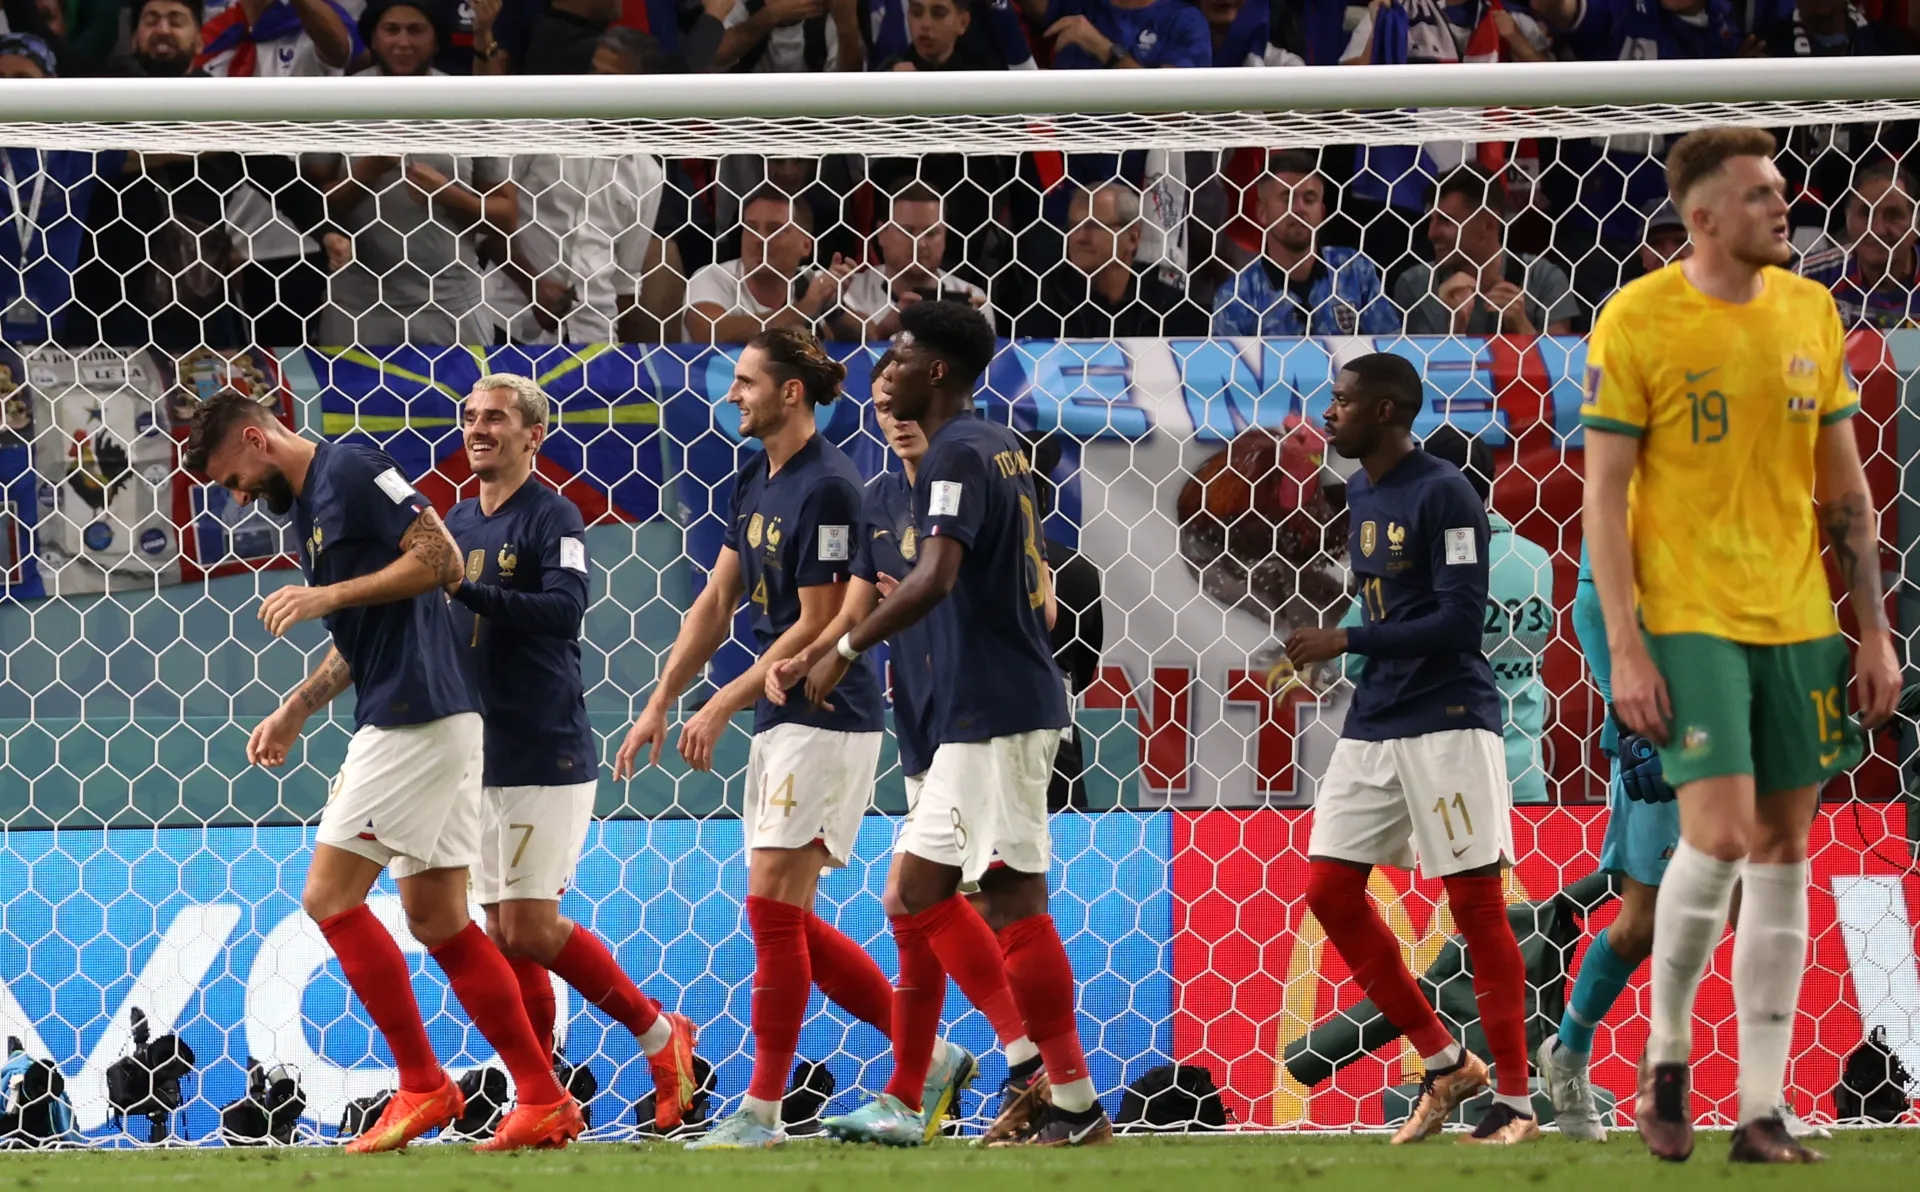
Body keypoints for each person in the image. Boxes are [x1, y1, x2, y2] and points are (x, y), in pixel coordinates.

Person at [1580, 126, 1899, 1163]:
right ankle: (1664, 1056)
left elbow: (1845, 489)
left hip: (1800, 619)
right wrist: (1627, 648)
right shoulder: (1638, 319)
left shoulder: (1813, 309)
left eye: (1783, 190)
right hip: (1690, 615)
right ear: (1703, 215)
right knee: (1714, 839)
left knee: (1784, 850)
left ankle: (1761, 1109)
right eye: (1760, 194)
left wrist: (1873, 630)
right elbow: (1606, 497)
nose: (1783, 206)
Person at [181, 391, 584, 1153]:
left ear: (256, 439)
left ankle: (425, 1085)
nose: (235, 497)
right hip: (425, 716)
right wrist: (299, 704)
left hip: (416, 717)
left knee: (330, 898)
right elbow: (367, 627)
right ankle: (541, 1097)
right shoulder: (309, 508)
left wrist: (327, 593)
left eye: (232, 478)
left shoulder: (352, 465)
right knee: (438, 920)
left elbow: (440, 558)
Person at [797, 301, 1109, 1148]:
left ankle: (1068, 1100)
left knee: (1010, 901)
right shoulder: (989, 447)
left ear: (936, 371)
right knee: (918, 892)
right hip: (970, 713)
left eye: (897, 354)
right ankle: (1033, 1076)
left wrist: (845, 647)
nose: (883, 368)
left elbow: (933, 576)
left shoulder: (959, 453)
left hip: (995, 709)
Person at [611, 328, 897, 1150]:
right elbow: (715, 600)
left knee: (771, 914)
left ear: (791, 394)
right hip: (783, 711)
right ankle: (928, 1050)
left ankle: (761, 1114)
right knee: (787, 919)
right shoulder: (753, 475)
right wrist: (664, 697)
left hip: (828, 708)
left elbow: (817, 621)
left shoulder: (831, 486)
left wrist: (718, 705)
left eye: (744, 382)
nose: (732, 394)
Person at [765, 351, 1038, 1144]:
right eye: (883, 404)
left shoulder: (975, 480)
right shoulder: (877, 500)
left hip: (979, 716)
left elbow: (1041, 603)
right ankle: (909, 1093)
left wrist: (934, 598)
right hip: (920, 720)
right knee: (921, 912)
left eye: (905, 398)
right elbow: (848, 609)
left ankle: (1032, 1065)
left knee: (922, 898)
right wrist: (813, 655)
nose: (896, 414)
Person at [1283, 352, 1538, 1147]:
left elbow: (1462, 626)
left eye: (1343, 401)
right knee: (1329, 892)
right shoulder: (1361, 490)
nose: (1330, 413)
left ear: (1388, 411)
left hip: (1449, 719)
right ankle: (1443, 1057)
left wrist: (1345, 636)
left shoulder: (1446, 494)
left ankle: (1518, 1103)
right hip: (1375, 719)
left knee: (1475, 908)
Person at [443, 374, 702, 1132]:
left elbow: (563, 612)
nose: (479, 428)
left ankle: (662, 1037)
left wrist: (466, 590)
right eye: (470, 416)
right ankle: (544, 1097)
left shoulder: (552, 514)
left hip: (544, 745)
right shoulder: (457, 519)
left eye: (496, 418)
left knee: (526, 926)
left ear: (533, 436)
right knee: (501, 933)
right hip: (474, 751)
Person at [1337, 427, 1554, 806]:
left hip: (1438, 774)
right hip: (1521, 777)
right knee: (1508, 869)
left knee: (1389, 865)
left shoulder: (1411, 564)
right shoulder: (1536, 560)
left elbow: (1351, 660)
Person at [1211, 151, 1399, 337]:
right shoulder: (1236, 297)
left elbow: (1391, 350)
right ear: (1262, 213)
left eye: (1309, 200)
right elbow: (1226, 366)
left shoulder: (1354, 270)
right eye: (1287, 198)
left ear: (1322, 212)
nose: (1299, 208)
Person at [1011, 183, 1209, 340]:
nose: (1079, 238)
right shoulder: (1045, 300)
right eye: (1073, 227)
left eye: (1093, 226)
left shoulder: (1166, 305)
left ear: (1132, 238)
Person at [1395, 168, 1578, 338]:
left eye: (1446, 221)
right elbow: (1415, 368)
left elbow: (1562, 363)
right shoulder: (1415, 285)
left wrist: (1522, 327)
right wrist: (1456, 327)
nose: (1432, 233)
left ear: (1489, 224)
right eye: (1432, 220)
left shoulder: (1544, 279)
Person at [682, 187, 849, 343]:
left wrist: (833, 310)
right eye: (751, 228)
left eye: (775, 230)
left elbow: (867, 335)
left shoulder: (810, 281)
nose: (760, 239)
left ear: (806, 245)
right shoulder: (712, 277)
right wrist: (801, 311)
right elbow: (707, 331)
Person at [836, 184, 991, 342]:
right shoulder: (848, 296)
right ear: (882, 233)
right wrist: (883, 331)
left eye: (931, 233)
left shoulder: (974, 301)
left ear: (945, 235)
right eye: (907, 231)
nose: (920, 243)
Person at [1800, 159, 1920, 330]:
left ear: (1916, 224)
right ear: (1847, 220)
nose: (1877, 230)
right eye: (1865, 214)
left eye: (1893, 215)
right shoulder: (1811, 278)